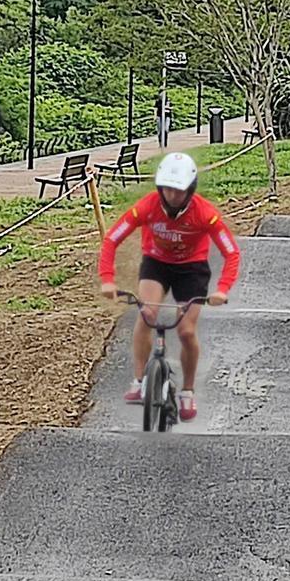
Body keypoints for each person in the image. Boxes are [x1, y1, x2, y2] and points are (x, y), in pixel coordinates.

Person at [98, 152, 241, 422]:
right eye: (167, 189)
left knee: (187, 331)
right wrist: (107, 279)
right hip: (157, 264)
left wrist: (222, 289)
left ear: (190, 189)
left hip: (192, 270)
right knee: (146, 314)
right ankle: (139, 380)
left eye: (179, 191)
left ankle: (187, 390)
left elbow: (231, 252)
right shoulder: (147, 207)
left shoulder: (206, 214)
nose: (172, 196)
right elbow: (112, 239)